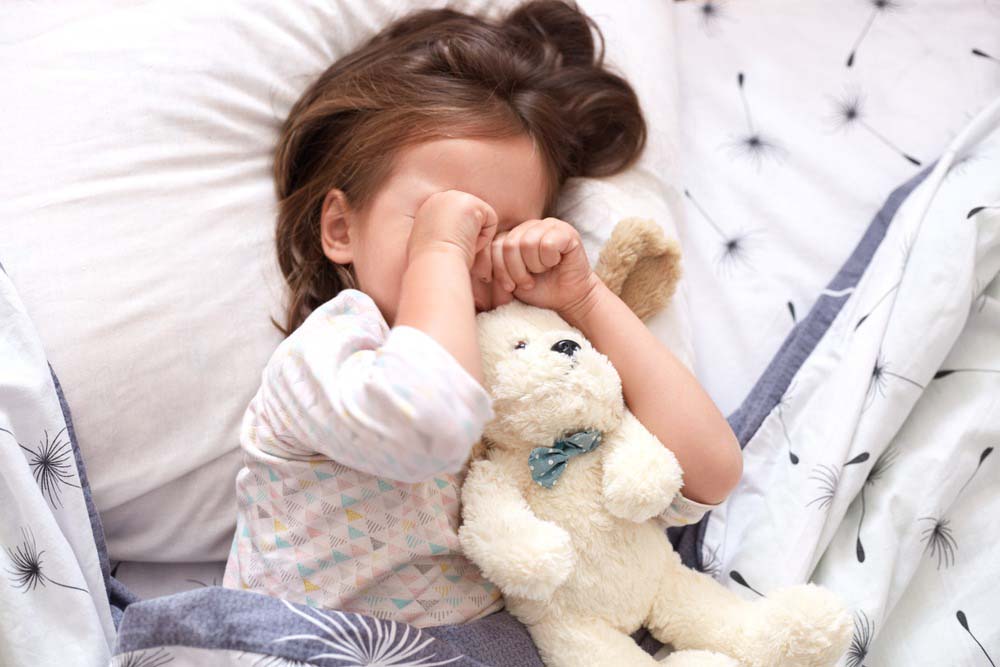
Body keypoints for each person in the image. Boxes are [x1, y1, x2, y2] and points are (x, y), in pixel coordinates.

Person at [222, 0, 742, 629]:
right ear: (340, 227)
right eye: (436, 214)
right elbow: (431, 422)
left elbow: (709, 474)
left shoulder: (525, 365)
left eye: (503, 231)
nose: (468, 252)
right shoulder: (328, 351)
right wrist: (438, 251)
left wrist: (584, 300)